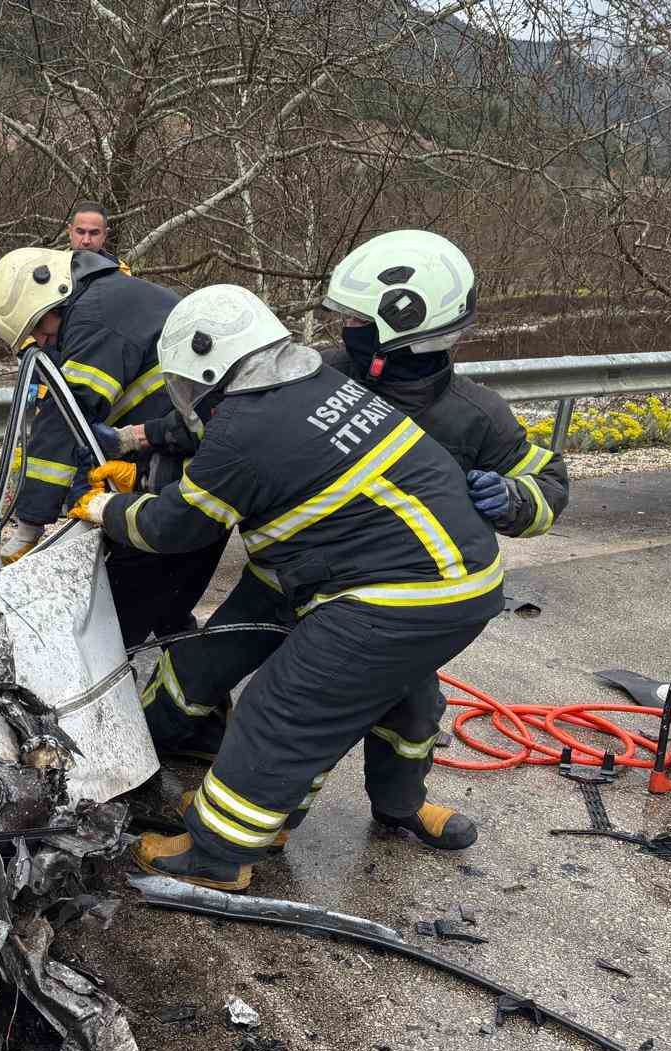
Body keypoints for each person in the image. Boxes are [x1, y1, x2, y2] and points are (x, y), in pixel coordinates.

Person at [140, 230, 569, 850]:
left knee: (399, 708)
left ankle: (378, 809)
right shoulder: (321, 371)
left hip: (384, 592)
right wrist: (142, 438)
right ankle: (151, 757)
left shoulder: (472, 416)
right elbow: (230, 417)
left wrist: (515, 500)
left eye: (356, 321)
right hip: (285, 572)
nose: (344, 331)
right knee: (200, 664)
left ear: (403, 327)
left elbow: (548, 480)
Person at [70, 284, 504, 891]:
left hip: (390, 596)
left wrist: (105, 508)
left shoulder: (246, 430)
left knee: (284, 709)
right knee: (398, 697)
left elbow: (173, 527)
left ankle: (217, 855)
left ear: (209, 371)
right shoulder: (315, 384)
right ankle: (353, 808)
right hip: (460, 585)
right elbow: (217, 432)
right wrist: (138, 441)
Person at [0, 247, 216, 646]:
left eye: (38, 327)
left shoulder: (94, 318)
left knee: (109, 636)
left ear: (54, 293)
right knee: (168, 615)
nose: (40, 339)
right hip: (192, 465)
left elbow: (64, 417)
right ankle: (198, 699)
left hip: (191, 482)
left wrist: (28, 526)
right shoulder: (111, 298)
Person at [65, 201, 130, 274]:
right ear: (70, 231)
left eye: (94, 233)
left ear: (105, 235)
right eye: (80, 232)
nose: (86, 241)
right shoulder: (53, 265)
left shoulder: (119, 270)